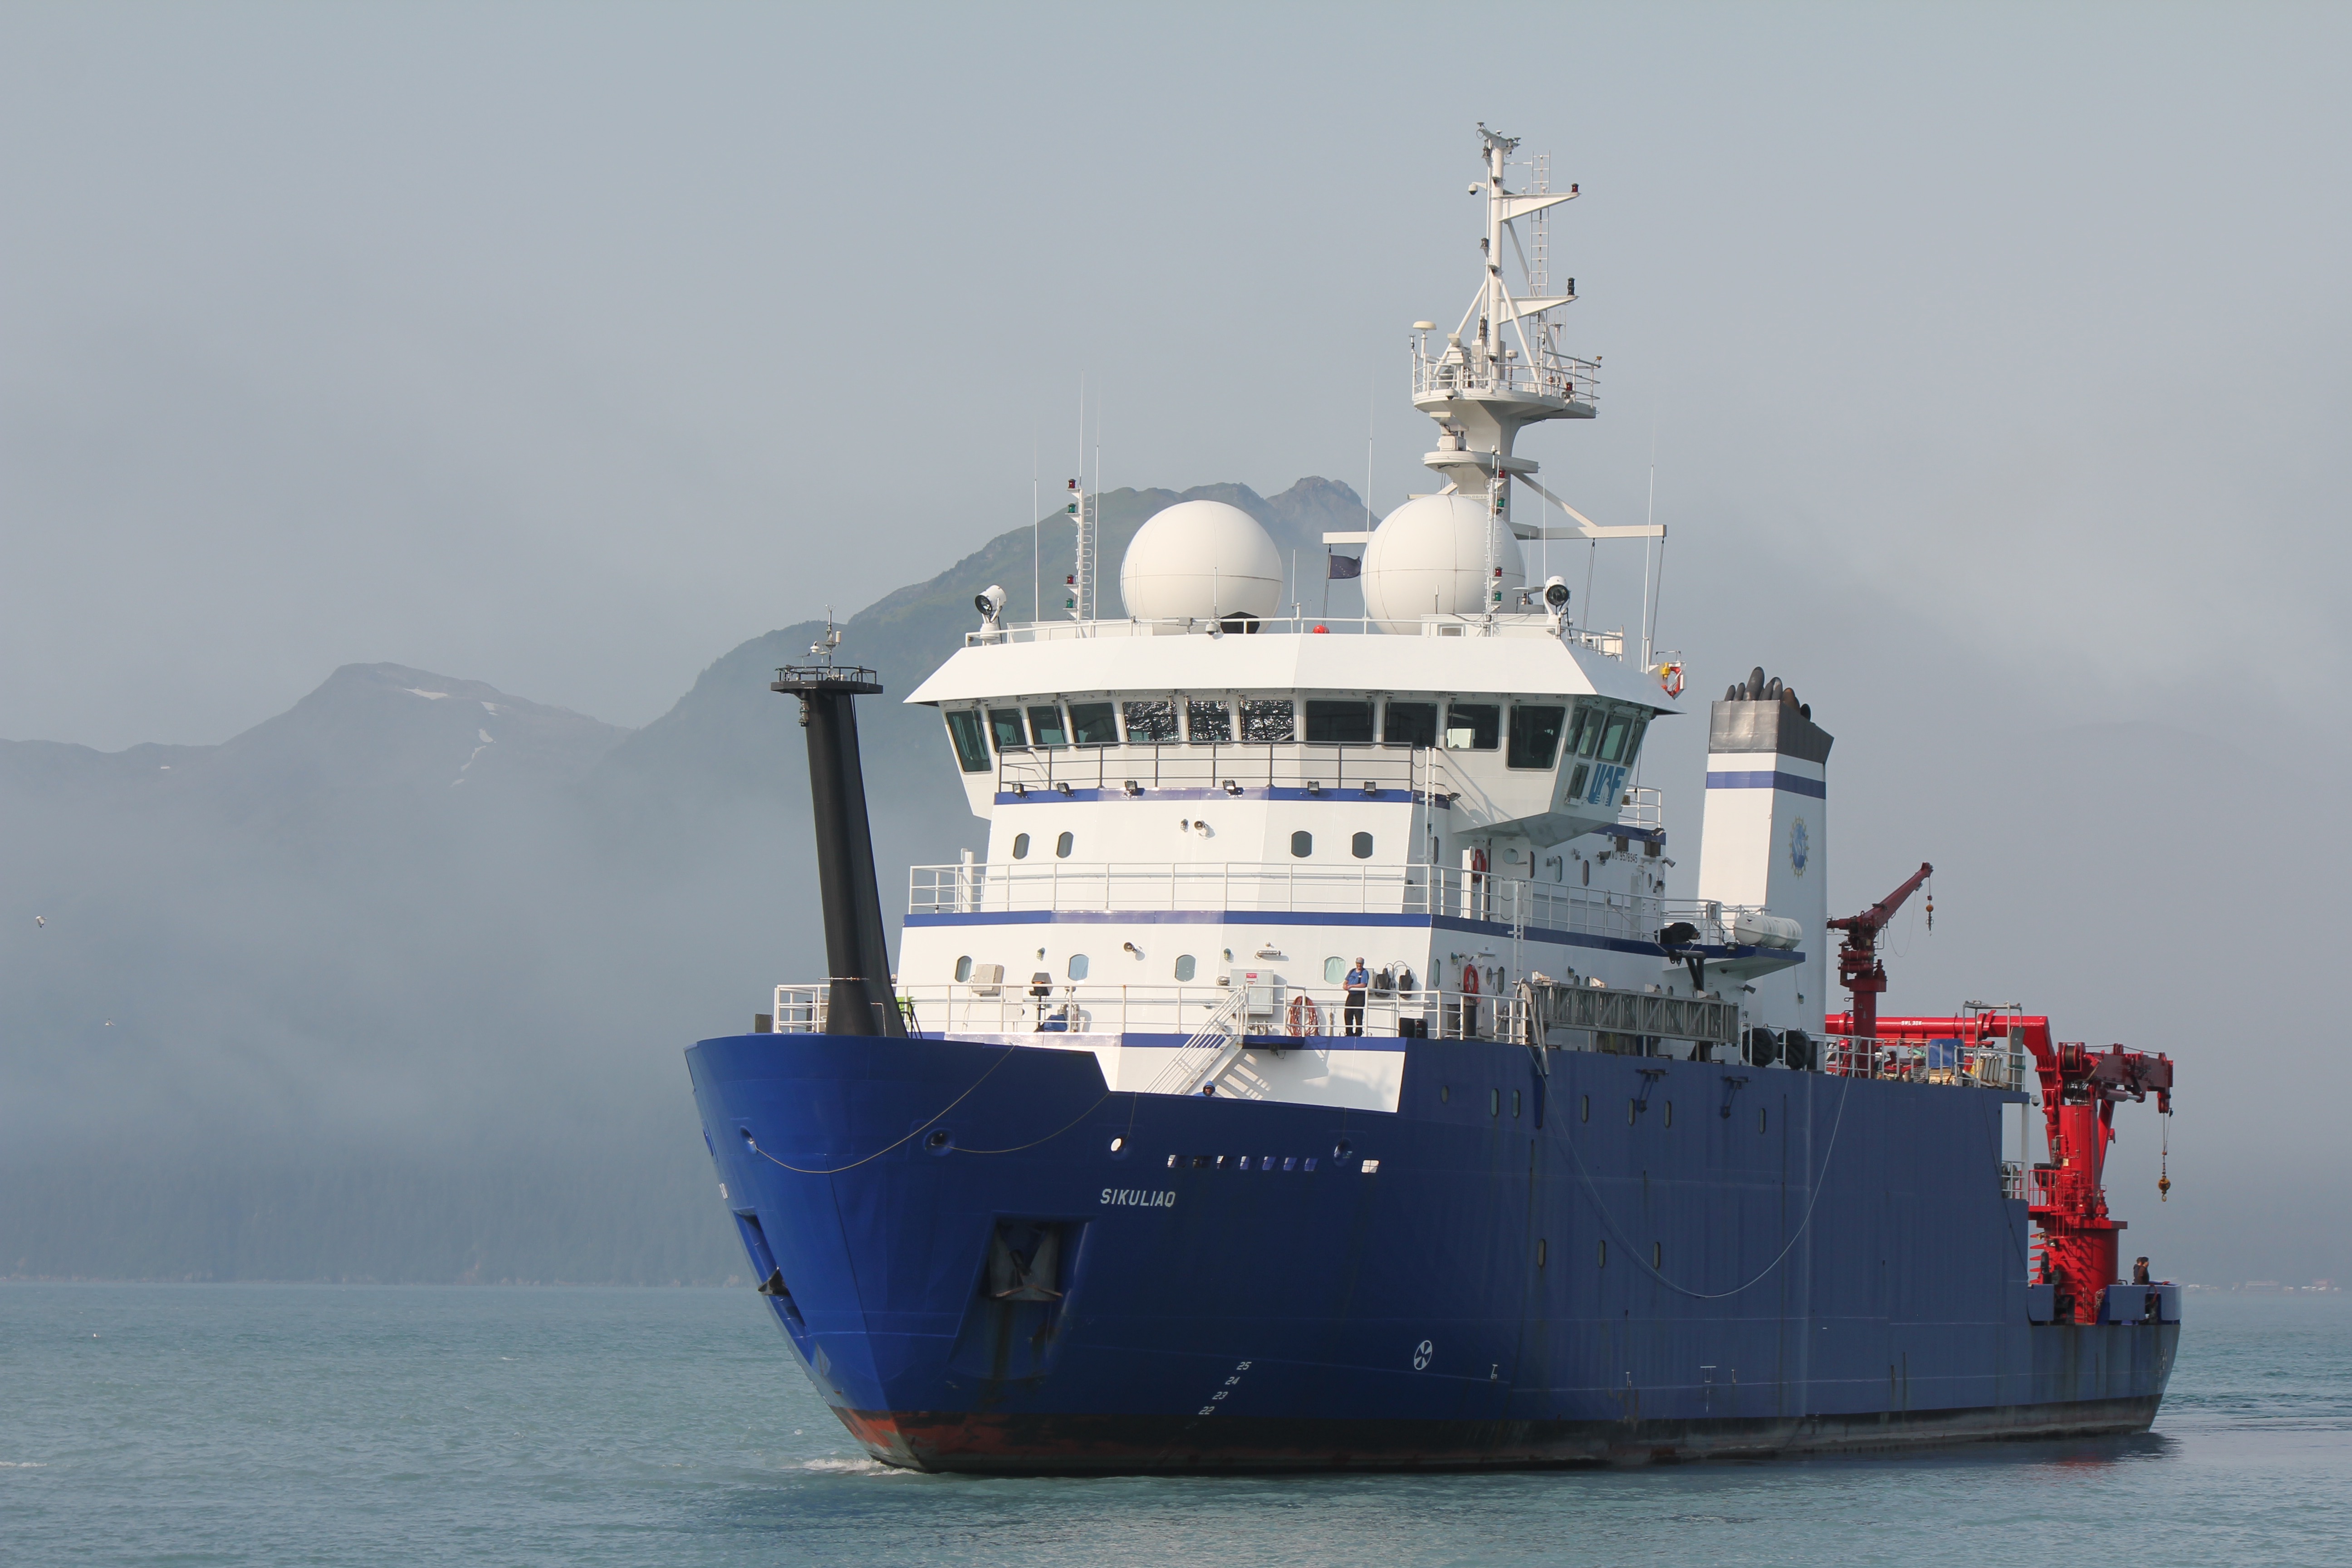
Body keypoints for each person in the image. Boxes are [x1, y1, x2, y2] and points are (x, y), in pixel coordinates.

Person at [1343, 957, 1370, 1036]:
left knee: (1358, 1014)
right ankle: (1349, 1033)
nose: (1359, 965)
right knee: (1348, 1013)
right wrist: (1345, 985)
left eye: (1361, 964)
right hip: (1351, 995)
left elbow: (1363, 984)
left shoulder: (1364, 973)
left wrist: (1352, 986)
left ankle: (1358, 1033)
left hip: (1359, 996)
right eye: (1358, 963)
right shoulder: (1352, 971)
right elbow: (1346, 981)